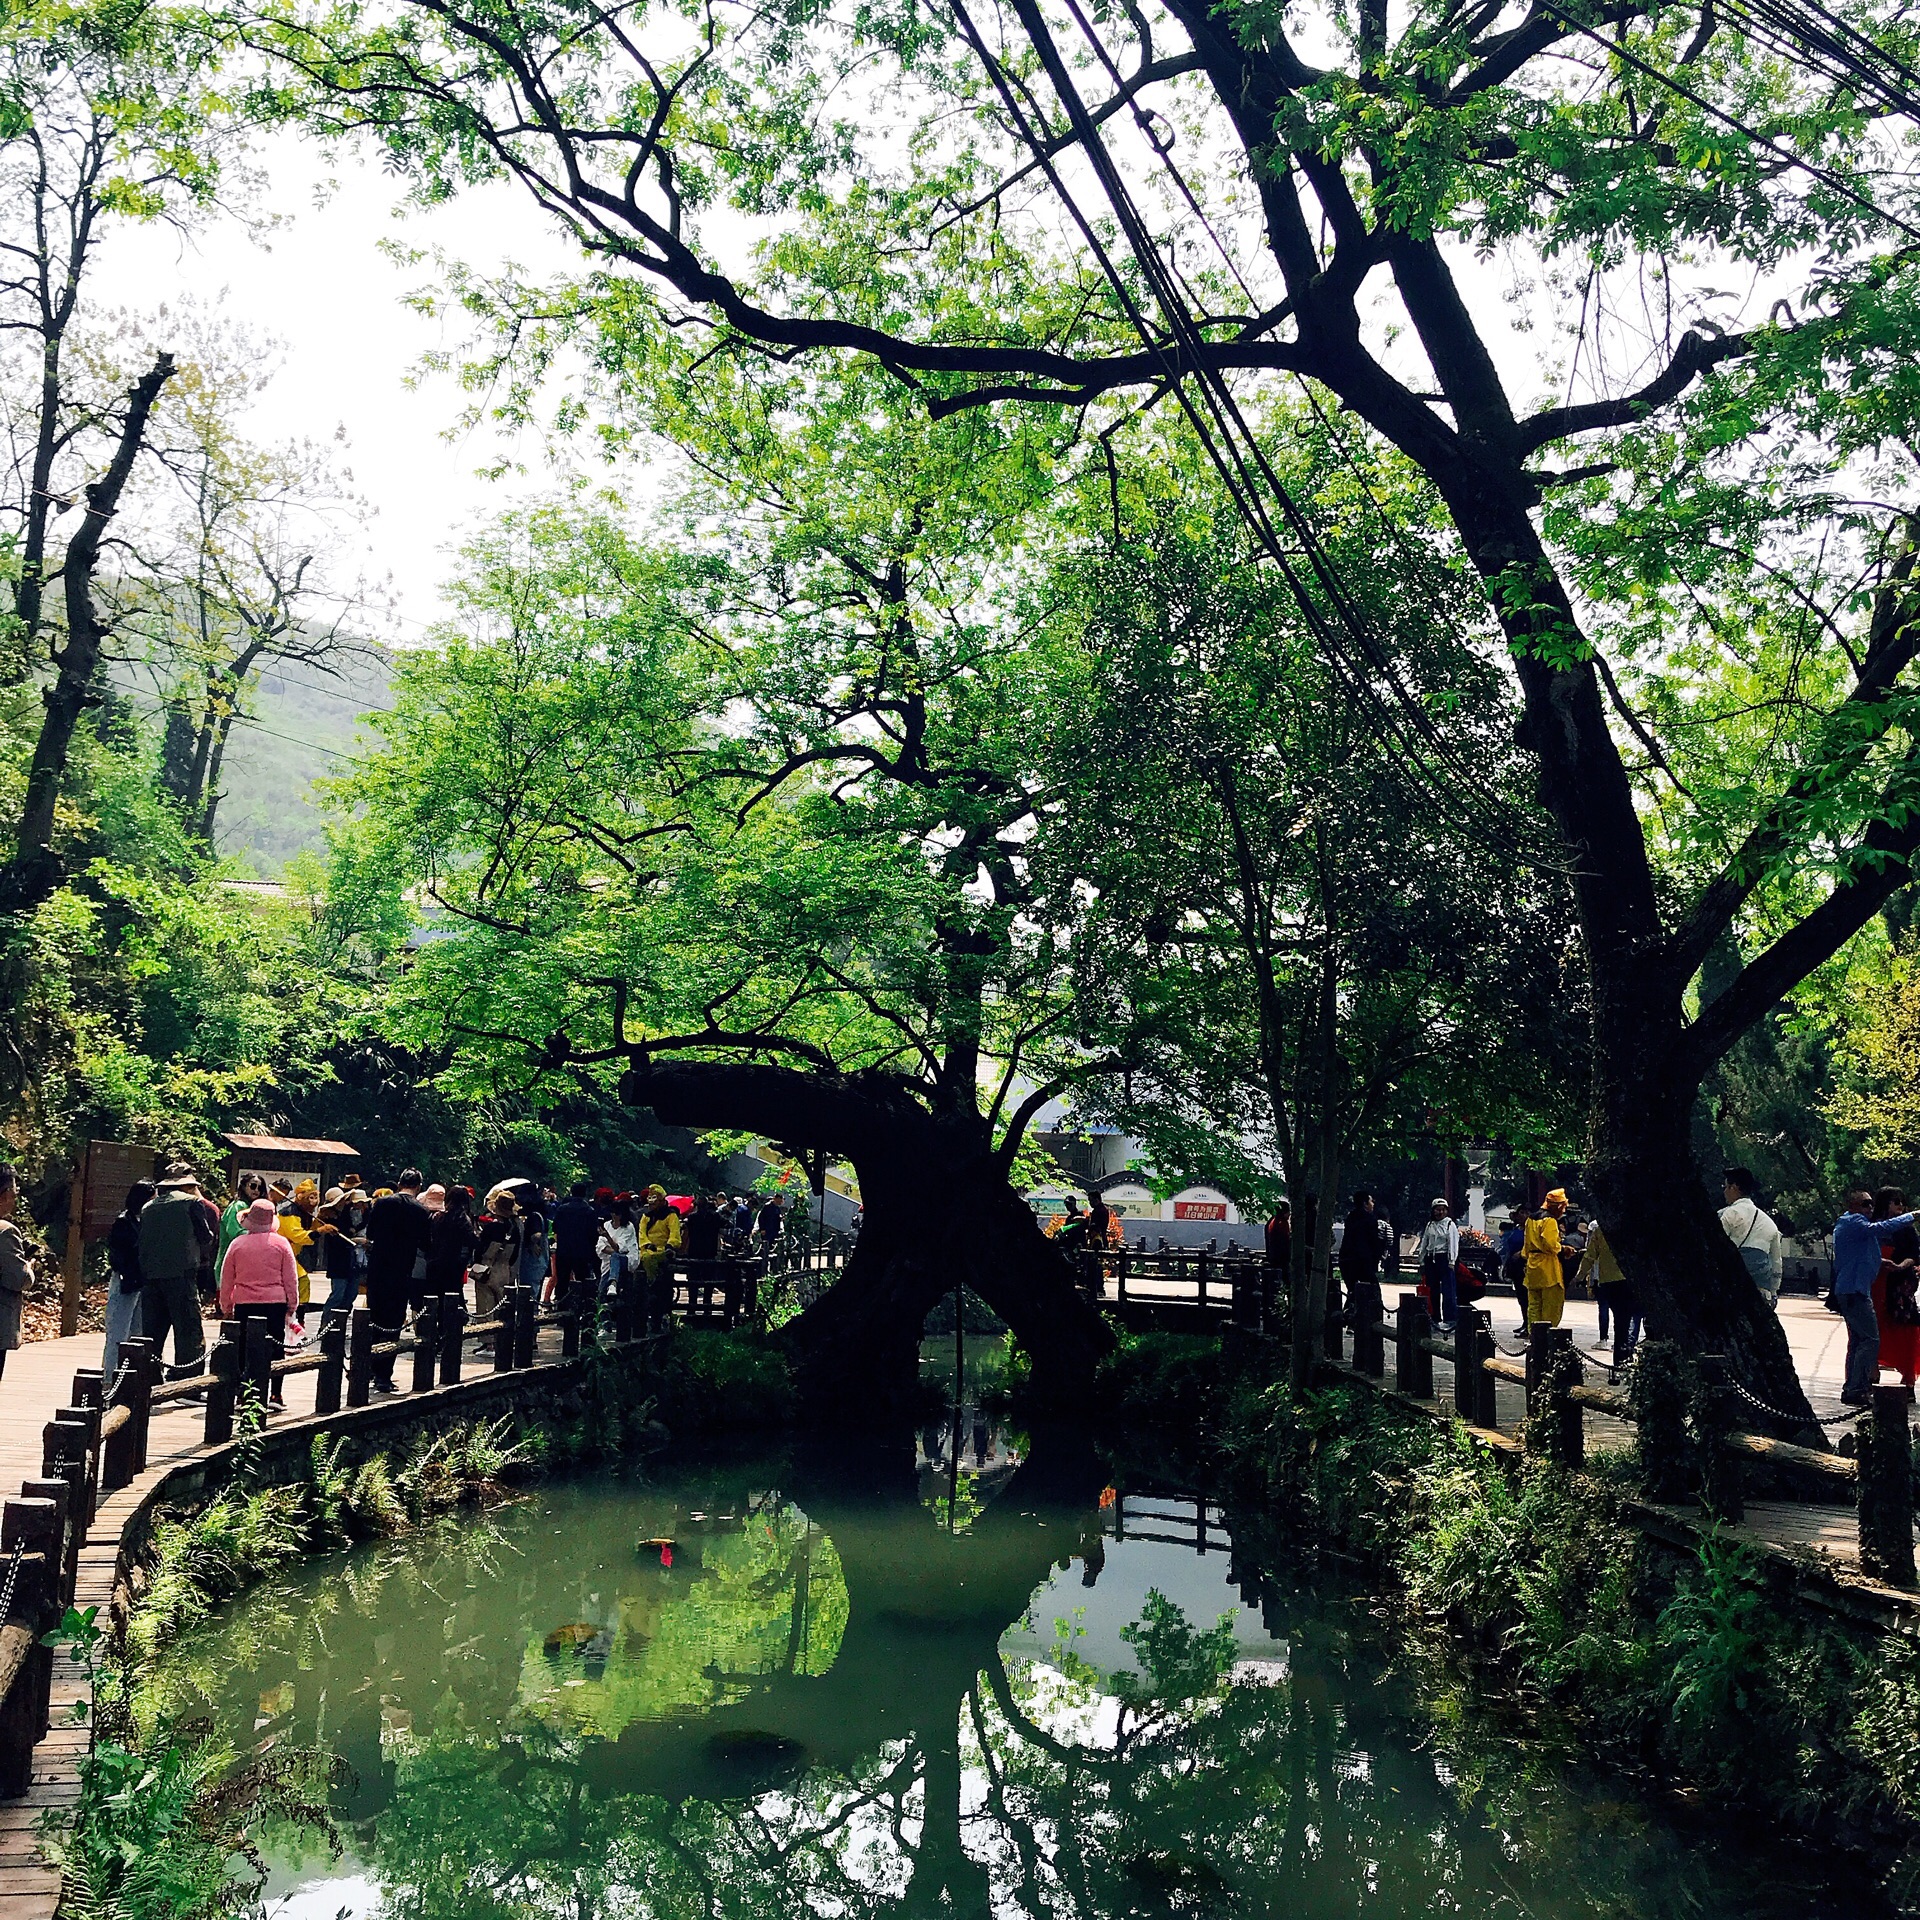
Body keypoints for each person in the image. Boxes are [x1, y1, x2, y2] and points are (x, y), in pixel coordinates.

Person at [1833, 1189, 1917, 1407]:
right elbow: (1881, 1228)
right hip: (1854, 1290)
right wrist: (1912, 1216)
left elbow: (1865, 1254)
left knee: (1859, 1341)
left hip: (1856, 1289)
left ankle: (1853, 1387)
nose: (1870, 1208)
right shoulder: (1855, 1223)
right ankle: (1857, 1387)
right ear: (1853, 1205)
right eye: (1865, 1204)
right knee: (1870, 1339)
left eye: (1871, 1204)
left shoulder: (1856, 1227)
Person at [138, 1166, 214, 1378]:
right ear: (188, 1186)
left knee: (152, 1332)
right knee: (189, 1330)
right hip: (182, 1274)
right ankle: (187, 1379)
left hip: (151, 1276)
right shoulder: (192, 1203)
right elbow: (205, 1236)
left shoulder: (148, 1207)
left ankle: (149, 1378)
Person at [368, 1170, 433, 1342]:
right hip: (403, 1269)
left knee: (374, 1314)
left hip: (378, 1267)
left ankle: (367, 1359)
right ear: (419, 1187)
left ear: (399, 1184)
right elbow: (426, 1243)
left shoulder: (381, 1203)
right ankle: (386, 1364)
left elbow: (371, 1233)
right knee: (394, 1318)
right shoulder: (421, 1210)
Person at [217, 1196, 301, 1328]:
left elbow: (226, 1278)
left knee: (245, 1343)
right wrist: (292, 1304)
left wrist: (226, 1306)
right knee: (273, 1344)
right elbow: (291, 1278)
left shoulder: (237, 1244)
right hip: (276, 1303)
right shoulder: (282, 1244)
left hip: (244, 1303)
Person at [103, 1178, 154, 1377]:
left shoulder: (143, 1221)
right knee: (118, 1332)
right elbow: (118, 1254)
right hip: (125, 1280)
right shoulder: (123, 1221)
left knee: (137, 1334)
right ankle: (109, 1377)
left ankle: (133, 1377)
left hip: (140, 1282)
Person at [1873, 1186, 1920, 1399]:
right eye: (1895, 1201)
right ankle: (1870, 1377)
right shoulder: (1872, 1227)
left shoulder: (1907, 1229)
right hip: (1876, 1285)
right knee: (1872, 1334)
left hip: (1901, 1287)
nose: (1900, 1206)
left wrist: (1901, 1266)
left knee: (1906, 1333)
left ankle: (1908, 1381)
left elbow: (1914, 1254)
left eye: (1902, 1202)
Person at [1574, 1220, 1640, 1359]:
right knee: (1631, 1318)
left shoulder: (1600, 1230)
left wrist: (1579, 1277)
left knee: (1620, 1321)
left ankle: (1620, 1356)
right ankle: (1626, 1351)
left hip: (1610, 1281)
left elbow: (1590, 1256)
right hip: (1630, 1281)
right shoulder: (1634, 1227)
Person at [1719, 1168, 1783, 1306]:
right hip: (1760, 1290)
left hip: (1732, 1286)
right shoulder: (1769, 1223)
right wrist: (1773, 1292)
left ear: (1734, 1187)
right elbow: (1776, 1263)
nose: (1724, 1192)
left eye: (1725, 1187)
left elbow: (1717, 1249)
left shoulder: (1730, 1215)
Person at [0, 1165, 32, 1380]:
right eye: (14, 1193)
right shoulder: (6, 1231)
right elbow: (19, 1278)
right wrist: (29, 1267)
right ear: (3, 1196)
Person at [549, 1179, 602, 1307]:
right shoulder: (589, 1211)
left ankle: (561, 1308)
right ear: (584, 1193)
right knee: (583, 1279)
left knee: (562, 1280)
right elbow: (593, 1233)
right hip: (582, 1251)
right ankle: (583, 1309)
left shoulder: (562, 1209)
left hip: (564, 1250)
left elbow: (555, 1228)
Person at [1521, 1189, 1569, 1329]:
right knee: (1552, 1306)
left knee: (1534, 1306)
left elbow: (1526, 1247)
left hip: (1532, 1266)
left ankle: (1534, 1335)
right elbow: (1550, 1244)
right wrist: (1563, 1249)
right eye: (1563, 1207)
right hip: (1548, 1269)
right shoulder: (1550, 1221)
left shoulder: (1531, 1219)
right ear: (1558, 1206)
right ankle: (1548, 1336)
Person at [426, 1184, 477, 1308]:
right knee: (453, 1298)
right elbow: (471, 1243)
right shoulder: (464, 1220)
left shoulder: (438, 1217)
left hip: (436, 1263)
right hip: (455, 1265)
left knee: (436, 1299)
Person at [636, 1185, 684, 1317]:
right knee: (645, 1258)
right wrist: (647, 1243)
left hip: (664, 1250)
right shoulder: (646, 1216)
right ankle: (650, 1283)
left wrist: (670, 1245)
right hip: (648, 1249)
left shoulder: (670, 1216)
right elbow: (642, 1233)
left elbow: (675, 1233)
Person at [1416, 1197, 1461, 1330]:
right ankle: (1435, 1317)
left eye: (1442, 1210)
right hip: (1431, 1258)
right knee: (1433, 1290)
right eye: (1437, 1210)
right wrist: (1422, 1259)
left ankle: (1450, 1318)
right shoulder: (1430, 1225)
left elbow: (1453, 1243)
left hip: (1444, 1259)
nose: (1440, 1212)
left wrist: (1452, 1260)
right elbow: (1425, 1242)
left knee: (1448, 1290)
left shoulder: (1449, 1225)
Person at [1337, 1192, 1381, 1320]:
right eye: (1371, 1201)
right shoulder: (1370, 1219)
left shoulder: (1350, 1217)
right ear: (1365, 1204)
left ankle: (1349, 1317)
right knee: (1372, 1289)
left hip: (1346, 1258)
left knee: (1353, 1290)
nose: (1373, 1204)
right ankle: (1372, 1319)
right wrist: (1376, 1258)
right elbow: (1373, 1241)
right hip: (1362, 1260)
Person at [217, 1173, 268, 1276]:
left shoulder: (251, 1207)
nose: (256, 1190)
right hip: (231, 1261)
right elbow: (235, 1232)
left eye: (260, 1188)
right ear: (244, 1186)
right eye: (253, 1186)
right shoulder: (238, 1206)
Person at [598, 1194, 640, 1299]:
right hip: (608, 1261)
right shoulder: (607, 1225)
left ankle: (613, 1283)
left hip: (627, 1259)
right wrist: (612, 1250)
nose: (614, 1216)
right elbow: (600, 1246)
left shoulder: (628, 1227)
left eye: (617, 1214)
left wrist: (607, 1237)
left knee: (616, 1257)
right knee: (601, 1290)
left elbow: (620, 1248)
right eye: (613, 1213)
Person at [1497, 1209, 1529, 1333]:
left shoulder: (1530, 1230)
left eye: (1522, 1213)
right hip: (1513, 1265)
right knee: (1521, 1296)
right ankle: (1525, 1322)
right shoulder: (1516, 1229)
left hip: (1524, 1265)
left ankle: (1529, 1324)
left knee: (1526, 1296)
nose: (1520, 1216)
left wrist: (1521, 1254)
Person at [683, 1193, 726, 1263]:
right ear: (707, 1205)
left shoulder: (691, 1217)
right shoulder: (715, 1216)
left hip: (694, 1248)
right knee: (708, 1271)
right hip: (710, 1249)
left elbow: (686, 1230)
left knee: (693, 1271)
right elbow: (727, 1224)